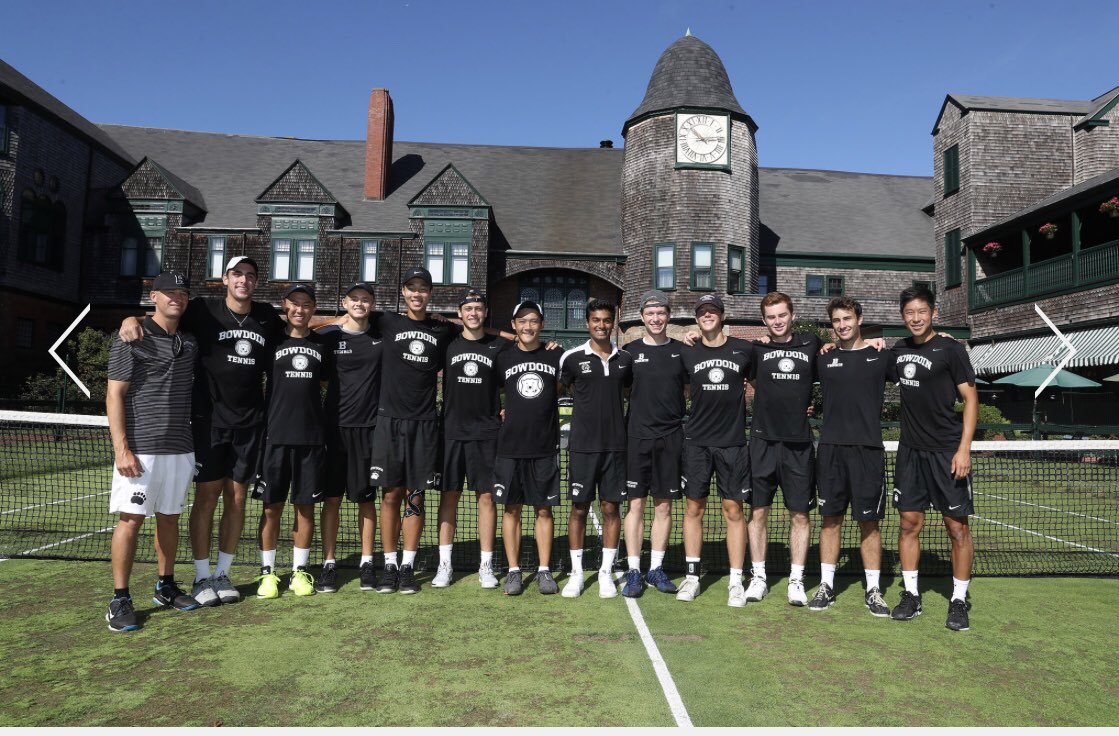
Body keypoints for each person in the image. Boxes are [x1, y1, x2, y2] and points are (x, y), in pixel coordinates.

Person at [119, 256, 283, 606]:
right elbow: (163, 314)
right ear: (225, 279)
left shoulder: (267, 316)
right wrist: (129, 318)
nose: (244, 281)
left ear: (256, 282)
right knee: (206, 498)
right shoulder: (202, 310)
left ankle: (223, 574)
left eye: (251, 276)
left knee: (237, 499)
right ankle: (201, 576)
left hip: (250, 423)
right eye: (237, 274)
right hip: (208, 422)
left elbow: (303, 328)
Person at [105, 271, 200, 631]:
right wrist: (122, 450)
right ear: (154, 297)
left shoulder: (189, 342)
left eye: (182, 293)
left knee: (170, 517)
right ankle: (120, 597)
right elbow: (114, 394)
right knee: (131, 519)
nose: (176, 297)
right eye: (169, 292)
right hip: (141, 449)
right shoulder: (132, 338)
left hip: (181, 448)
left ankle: (165, 585)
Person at [889, 284, 978, 631]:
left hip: (947, 452)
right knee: (909, 524)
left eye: (921, 312)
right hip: (910, 453)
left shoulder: (951, 350)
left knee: (957, 529)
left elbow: (971, 400)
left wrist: (964, 448)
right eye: (909, 313)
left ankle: (958, 601)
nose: (915, 318)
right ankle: (911, 596)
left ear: (933, 313)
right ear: (902, 316)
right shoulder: (898, 351)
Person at [370, 267, 458, 594]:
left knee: (415, 495)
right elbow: (348, 318)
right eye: (411, 288)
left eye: (423, 288)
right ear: (403, 292)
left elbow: (478, 329)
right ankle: (389, 564)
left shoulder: (442, 328)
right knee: (391, 494)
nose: (417, 293)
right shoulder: (387, 321)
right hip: (389, 420)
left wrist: (516, 336)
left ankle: (408, 565)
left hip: (424, 423)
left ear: (430, 294)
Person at [809, 297, 891, 616]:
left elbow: (919, 351)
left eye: (847, 318)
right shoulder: (823, 358)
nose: (842, 325)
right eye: (836, 321)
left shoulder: (880, 355)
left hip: (867, 451)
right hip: (830, 450)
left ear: (859, 319)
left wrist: (944, 337)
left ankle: (873, 590)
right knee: (830, 520)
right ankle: (826, 586)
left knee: (868, 522)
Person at [255, 285, 332, 598]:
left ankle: (300, 572)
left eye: (306, 304)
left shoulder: (322, 345)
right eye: (295, 304)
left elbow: (325, 382)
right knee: (271, 509)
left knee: (305, 508)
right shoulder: (271, 341)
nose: (300, 309)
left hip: (311, 440)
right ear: (285, 306)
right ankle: (268, 574)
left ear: (313, 309)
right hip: (274, 438)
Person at [745, 292, 821, 606]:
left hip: (799, 445)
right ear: (764, 320)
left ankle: (796, 580)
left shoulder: (812, 344)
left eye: (782, 315)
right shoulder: (756, 349)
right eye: (771, 317)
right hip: (762, 442)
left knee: (799, 515)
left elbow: (836, 368)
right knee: (758, 512)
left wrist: (817, 403)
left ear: (791, 315)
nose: (777, 321)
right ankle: (759, 578)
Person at [677, 294, 753, 606]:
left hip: (732, 443)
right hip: (696, 442)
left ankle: (736, 580)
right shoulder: (687, 351)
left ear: (722, 316)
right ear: (697, 318)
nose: (707, 316)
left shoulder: (745, 349)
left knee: (733, 510)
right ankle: (693, 576)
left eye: (712, 312)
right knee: (694, 508)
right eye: (702, 312)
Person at [559, 300, 634, 599]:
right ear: (587, 323)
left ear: (613, 322)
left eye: (606, 320)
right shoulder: (572, 358)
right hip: (582, 447)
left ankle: (605, 573)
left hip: (617, 447)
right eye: (595, 320)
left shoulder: (625, 359)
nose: (601, 325)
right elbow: (551, 392)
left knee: (610, 508)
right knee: (579, 508)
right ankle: (576, 574)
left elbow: (630, 392)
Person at [433, 288, 506, 590]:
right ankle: (444, 565)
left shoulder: (498, 347)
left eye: (479, 308)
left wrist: (508, 408)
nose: (474, 313)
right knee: (449, 496)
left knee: (486, 499)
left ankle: (485, 566)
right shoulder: (447, 343)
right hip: (451, 432)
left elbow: (513, 380)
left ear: (485, 312)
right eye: (469, 308)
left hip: (486, 434)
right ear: (460, 313)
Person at [493, 300, 564, 596]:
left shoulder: (556, 354)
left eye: (533, 320)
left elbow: (568, 384)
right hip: (510, 448)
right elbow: (489, 391)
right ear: (514, 325)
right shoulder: (502, 357)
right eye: (522, 321)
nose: (528, 326)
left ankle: (545, 569)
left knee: (544, 511)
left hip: (544, 447)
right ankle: (513, 571)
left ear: (541, 324)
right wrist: (501, 410)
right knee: (511, 510)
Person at [317, 282, 384, 593]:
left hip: (368, 430)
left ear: (372, 304)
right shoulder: (329, 336)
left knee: (366, 501)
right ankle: (329, 563)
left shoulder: (380, 336)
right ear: (344, 302)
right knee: (331, 500)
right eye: (354, 298)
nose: (360, 303)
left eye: (365, 299)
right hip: (333, 429)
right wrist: (334, 322)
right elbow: (299, 329)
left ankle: (368, 562)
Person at [620, 290, 687, 597]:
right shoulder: (629, 352)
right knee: (635, 505)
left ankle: (656, 569)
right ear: (642, 317)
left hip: (671, 438)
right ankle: (633, 570)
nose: (656, 319)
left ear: (668, 316)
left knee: (664, 505)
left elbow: (690, 389)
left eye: (661, 314)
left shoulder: (682, 351)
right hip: (636, 438)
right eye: (650, 314)